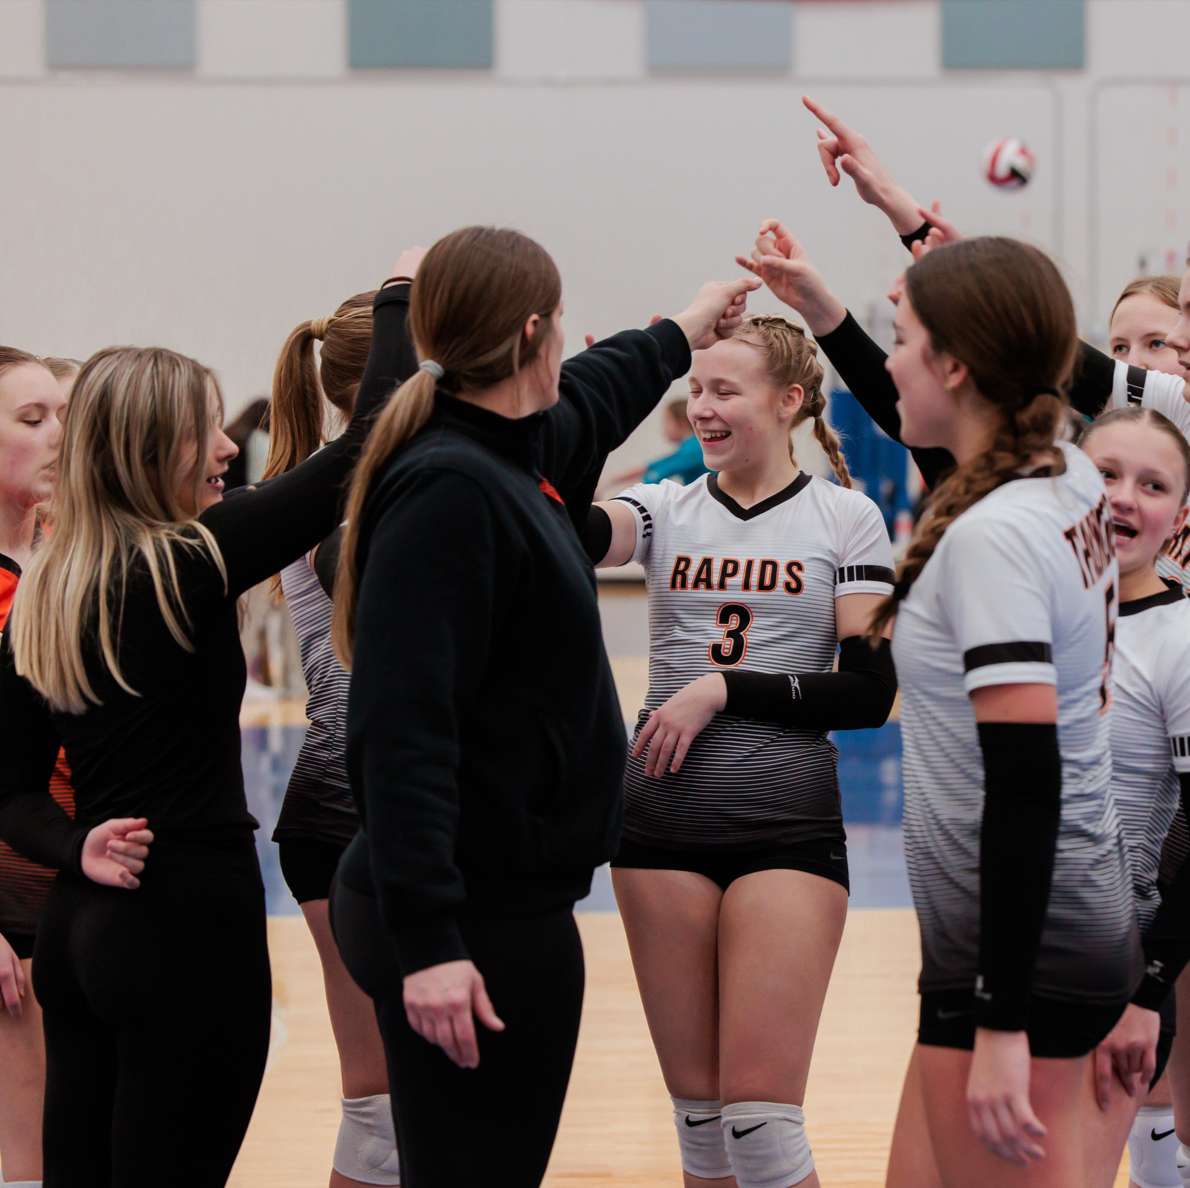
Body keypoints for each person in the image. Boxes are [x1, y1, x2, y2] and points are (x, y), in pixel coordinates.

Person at [328, 224, 759, 1188]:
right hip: (467, 915)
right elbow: (401, 734)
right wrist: (432, 942)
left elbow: (602, 387)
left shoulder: (510, 449)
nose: (571, 342)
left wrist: (685, 330)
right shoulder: (451, 488)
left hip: (503, 901)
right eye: (562, 325)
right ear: (534, 333)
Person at [0, 249, 416, 1187]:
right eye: (204, 433)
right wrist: (400, 295)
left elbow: (12, 791)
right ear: (152, 453)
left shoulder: (47, 590)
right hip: (183, 924)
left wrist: (76, 851)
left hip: (81, 933)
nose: (230, 448)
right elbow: (365, 451)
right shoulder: (185, 563)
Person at [760, 232, 1140, 1184]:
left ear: (959, 364)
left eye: (903, 336)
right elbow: (927, 427)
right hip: (1014, 940)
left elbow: (1025, 786)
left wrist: (1002, 1019)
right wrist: (827, 314)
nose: (888, 360)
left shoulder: (998, 536)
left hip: (1029, 951)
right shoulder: (1060, 471)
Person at [588, 313, 897, 1188]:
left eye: (725, 389)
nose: (703, 407)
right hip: (657, 831)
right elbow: (558, 528)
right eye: (696, 390)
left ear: (789, 399)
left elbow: (869, 694)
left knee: (761, 1125)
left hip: (786, 834)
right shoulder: (660, 508)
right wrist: (594, 397)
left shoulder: (847, 518)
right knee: (701, 1131)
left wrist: (725, 688)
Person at [262, 285, 407, 1188]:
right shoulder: (358, 502)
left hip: (340, 816)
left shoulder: (310, 486)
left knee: (389, 1108)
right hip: (353, 812)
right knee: (387, 1108)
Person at [1073, 408, 1190, 1187]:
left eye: (1152, 486)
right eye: (1105, 474)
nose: (1122, 497)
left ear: (1179, 516)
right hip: (997, 967)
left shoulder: (1179, 636)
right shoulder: (1024, 614)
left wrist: (1148, 989)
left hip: (1115, 972)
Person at [0, 349, 70, 1188]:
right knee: (28, 1164)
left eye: (63, 416)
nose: (59, 436)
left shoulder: (64, 559)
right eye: (31, 419)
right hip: (11, 916)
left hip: (75, 902)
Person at [598, 397, 708, 496]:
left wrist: (610, 501)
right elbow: (647, 467)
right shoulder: (690, 446)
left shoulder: (693, 449)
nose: (663, 428)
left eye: (667, 421)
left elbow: (649, 479)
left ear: (682, 422)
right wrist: (605, 484)